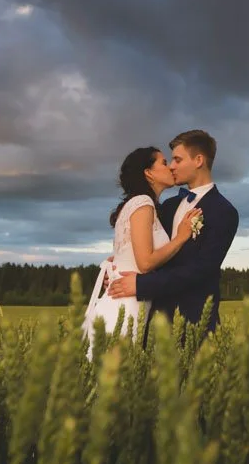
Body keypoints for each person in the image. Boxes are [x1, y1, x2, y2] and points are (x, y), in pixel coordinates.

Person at [107, 129, 238, 333]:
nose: (172, 166)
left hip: (194, 323)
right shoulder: (167, 206)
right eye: (169, 161)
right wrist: (117, 271)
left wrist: (141, 285)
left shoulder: (224, 211)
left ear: (198, 160)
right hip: (154, 323)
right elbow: (147, 248)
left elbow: (201, 270)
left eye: (177, 160)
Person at [80, 145, 202, 349]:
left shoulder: (140, 205)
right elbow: (145, 263)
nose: (171, 167)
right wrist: (181, 237)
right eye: (164, 163)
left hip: (128, 299)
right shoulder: (143, 203)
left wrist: (114, 266)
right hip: (127, 304)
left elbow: (128, 253)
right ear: (148, 173)